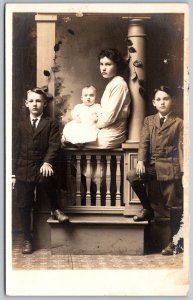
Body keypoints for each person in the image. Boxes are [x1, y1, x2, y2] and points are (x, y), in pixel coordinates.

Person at [127, 85, 183, 255]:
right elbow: (144, 142)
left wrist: (184, 171)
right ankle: (148, 209)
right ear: (153, 102)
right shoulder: (149, 120)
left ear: (171, 101)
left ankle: (174, 242)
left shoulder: (178, 122)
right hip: (152, 166)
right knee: (132, 175)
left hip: (170, 168)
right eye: (158, 99)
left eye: (165, 98)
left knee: (173, 205)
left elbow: (182, 147)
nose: (162, 102)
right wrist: (141, 161)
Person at [12, 87, 69, 255]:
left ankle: (56, 208)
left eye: (38, 101)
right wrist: (13, 173)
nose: (34, 104)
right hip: (24, 168)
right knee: (23, 204)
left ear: (44, 104)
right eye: (31, 101)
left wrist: (47, 163)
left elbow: (54, 146)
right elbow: (14, 149)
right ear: (26, 104)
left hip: (42, 166)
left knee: (47, 178)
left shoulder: (50, 123)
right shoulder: (20, 125)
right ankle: (27, 240)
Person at [85, 48, 131, 149]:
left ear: (117, 66)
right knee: (70, 134)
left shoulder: (119, 84)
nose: (103, 68)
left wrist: (92, 126)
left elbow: (109, 118)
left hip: (112, 135)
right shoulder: (112, 82)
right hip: (105, 130)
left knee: (72, 139)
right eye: (101, 64)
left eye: (108, 64)